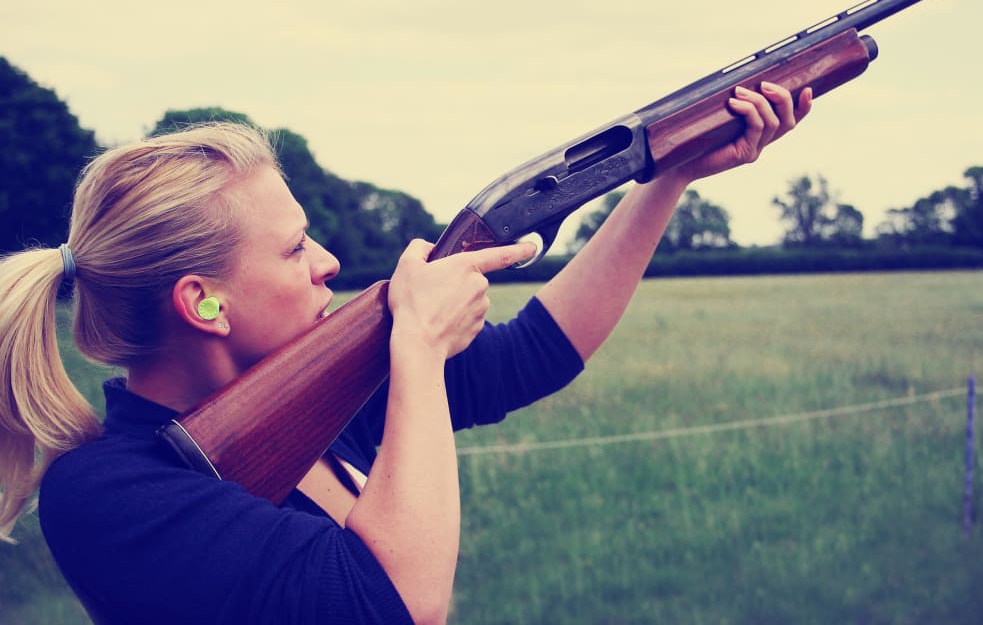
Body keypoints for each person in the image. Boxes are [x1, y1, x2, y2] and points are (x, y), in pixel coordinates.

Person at [0, 81, 811, 624]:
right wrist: (416, 347)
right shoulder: (105, 493)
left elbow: (538, 352)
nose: (326, 261)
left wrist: (663, 180)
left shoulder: (309, 391)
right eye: (292, 251)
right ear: (202, 303)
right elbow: (394, 601)